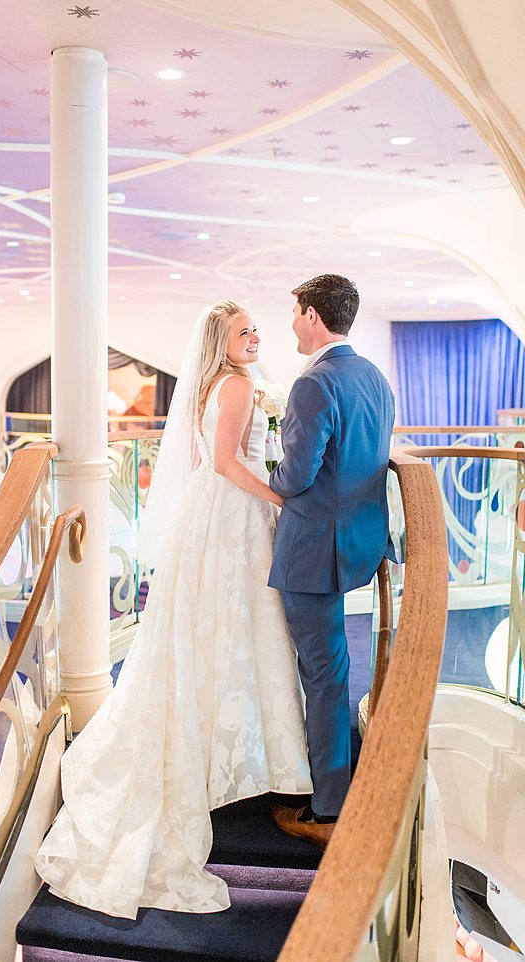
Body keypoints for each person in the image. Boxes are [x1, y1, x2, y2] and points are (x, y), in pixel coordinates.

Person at [35, 302, 312, 920]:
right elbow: (223, 462)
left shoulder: (214, 385)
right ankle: (243, 748)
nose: (254, 337)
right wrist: (279, 498)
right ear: (221, 341)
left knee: (218, 629)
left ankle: (222, 733)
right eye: (243, 332)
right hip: (234, 515)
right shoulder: (238, 385)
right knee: (245, 625)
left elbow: (206, 462)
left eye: (255, 329)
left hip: (210, 518)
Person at [270, 274, 395, 849]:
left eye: (296, 313)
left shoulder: (313, 383)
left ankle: (328, 809)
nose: (293, 323)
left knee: (323, 674)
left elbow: (295, 476)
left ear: (314, 316)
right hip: (360, 540)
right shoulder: (373, 377)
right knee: (335, 668)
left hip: (316, 548)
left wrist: (269, 468)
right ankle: (331, 783)